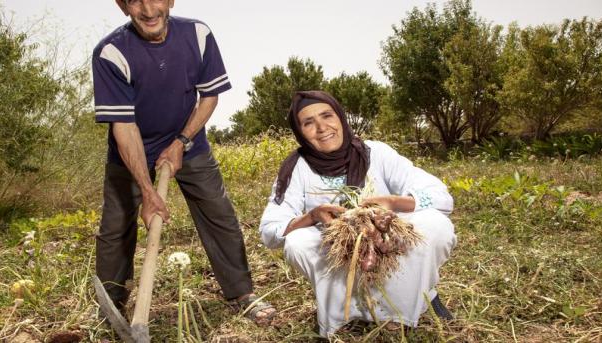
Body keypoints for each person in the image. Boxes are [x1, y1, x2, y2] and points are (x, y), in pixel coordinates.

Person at [92, 0, 275, 324]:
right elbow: (124, 127)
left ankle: (242, 293)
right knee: (116, 229)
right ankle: (111, 306)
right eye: (135, 0)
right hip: (131, 152)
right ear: (122, 6)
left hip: (189, 144)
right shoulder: (110, 53)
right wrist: (149, 193)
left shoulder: (197, 34)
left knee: (219, 214)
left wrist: (181, 142)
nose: (148, 10)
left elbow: (209, 96)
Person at [259, 90, 457, 337]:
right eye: (308, 123)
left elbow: (441, 196)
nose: (322, 128)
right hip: (336, 252)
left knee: (436, 225)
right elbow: (269, 230)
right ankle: (344, 317)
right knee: (297, 241)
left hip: (387, 244)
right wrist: (311, 217)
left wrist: (392, 203)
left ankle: (402, 312)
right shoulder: (297, 168)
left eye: (327, 116)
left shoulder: (376, 153)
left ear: (340, 117)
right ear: (300, 132)